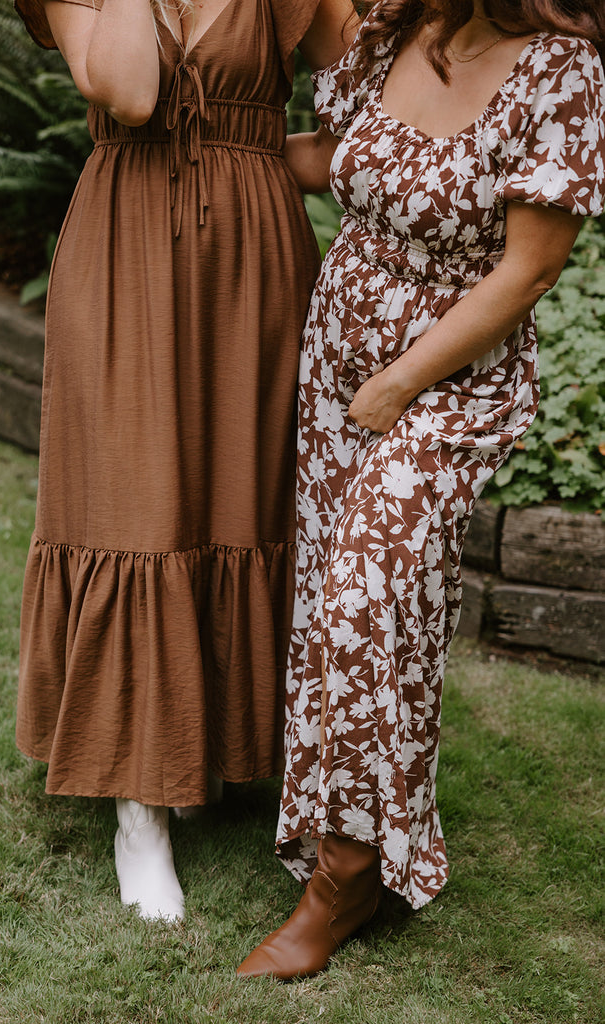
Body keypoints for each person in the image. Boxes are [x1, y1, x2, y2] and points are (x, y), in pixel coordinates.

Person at [236, 0, 605, 979]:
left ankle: (342, 882)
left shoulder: (558, 72)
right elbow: (336, 160)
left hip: (444, 384)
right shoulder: (392, 33)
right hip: (336, 355)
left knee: (365, 596)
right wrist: (223, 154)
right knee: (338, 604)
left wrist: (397, 384)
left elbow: (527, 271)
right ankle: (352, 833)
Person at [13, 0, 357, 922]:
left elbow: (371, 83)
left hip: (255, 251)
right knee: (137, 503)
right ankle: (140, 815)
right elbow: (127, 92)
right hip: (125, 239)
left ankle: (239, 753)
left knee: (247, 500)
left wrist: (276, 156)